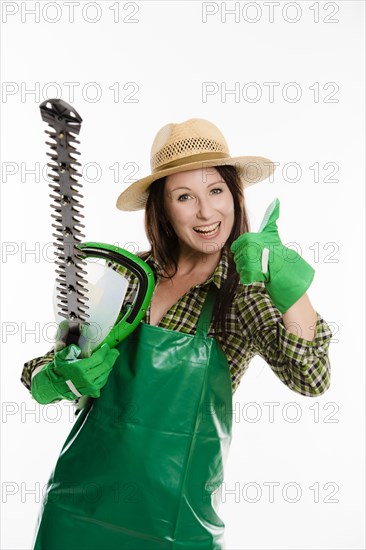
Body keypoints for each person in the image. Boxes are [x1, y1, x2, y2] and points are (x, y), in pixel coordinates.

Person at [21, 118, 333, 549]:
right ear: (163, 209)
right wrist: (59, 376)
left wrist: (289, 289)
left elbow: (311, 377)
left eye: (216, 191)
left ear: (235, 195)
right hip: (75, 512)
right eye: (185, 197)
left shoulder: (241, 291)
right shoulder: (126, 276)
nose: (207, 213)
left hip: (174, 528)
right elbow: (40, 374)